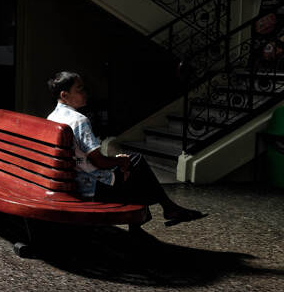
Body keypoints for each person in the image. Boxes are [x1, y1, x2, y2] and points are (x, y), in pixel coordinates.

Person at [46, 71, 206, 226]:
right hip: (90, 188)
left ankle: (167, 209)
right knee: (135, 164)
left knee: (133, 167)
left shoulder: (52, 118)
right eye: (80, 89)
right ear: (64, 95)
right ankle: (167, 208)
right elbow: (100, 162)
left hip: (72, 182)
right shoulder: (79, 121)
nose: (86, 92)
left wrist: (120, 163)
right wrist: (120, 162)